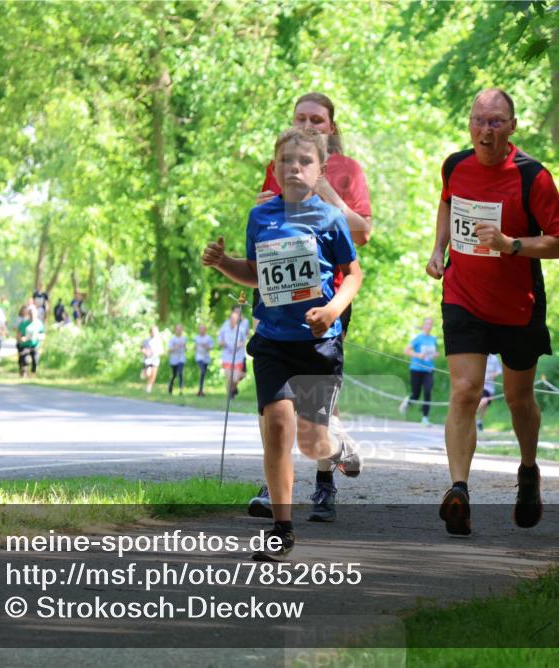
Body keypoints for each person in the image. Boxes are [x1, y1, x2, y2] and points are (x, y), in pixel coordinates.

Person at [203, 127, 362, 560]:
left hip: (317, 343)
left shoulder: (330, 219)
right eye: (286, 161)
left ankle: (337, 443)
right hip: (272, 341)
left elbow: (354, 274)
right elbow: (255, 274)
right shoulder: (261, 217)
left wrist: (332, 311)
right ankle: (281, 529)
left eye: (304, 162)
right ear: (274, 169)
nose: (294, 167)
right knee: (277, 428)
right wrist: (223, 264)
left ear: (320, 170)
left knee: (313, 444)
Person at [425, 88, 559, 534]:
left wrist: (512, 246)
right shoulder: (455, 165)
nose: (485, 130)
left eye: (495, 122)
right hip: (463, 295)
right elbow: (448, 201)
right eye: (478, 120)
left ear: (512, 127)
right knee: (465, 390)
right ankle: (459, 491)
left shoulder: (533, 177)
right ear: (469, 123)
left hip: (517, 305)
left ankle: (528, 471)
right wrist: (438, 249)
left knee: (517, 398)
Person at [250, 92, 373, 522]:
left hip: (328, 300)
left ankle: (325, 484)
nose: (309, 124)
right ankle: (275, 487)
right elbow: (268, 220)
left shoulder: (347, 170)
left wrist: (325, 192)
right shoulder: (283, 161)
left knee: (319, 407)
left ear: (331, 127)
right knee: (276, 404)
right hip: (277, 298)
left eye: (317, 119)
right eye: (301, 117)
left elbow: (363, 233)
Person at [399, 317, 439, 426]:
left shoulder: (433, 339)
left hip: (429, 369)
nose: (429, 326)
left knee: (427, 391)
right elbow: (406, 350)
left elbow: (435, 352)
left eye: (431, 324)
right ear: (423, 325)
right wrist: (418, 355)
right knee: (416, 394)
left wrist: (435, 355)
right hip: (416, 369)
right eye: (427, 324)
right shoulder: (417, 338)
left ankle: (425, 418)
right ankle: (407, 402)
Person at [218, 306, 248, 399]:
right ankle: (229, 395)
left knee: (235, 379)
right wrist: (224, 343)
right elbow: (220, 342)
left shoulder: (241, 329)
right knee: (230, 378)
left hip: (238, 357)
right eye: (231, 319)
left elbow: (245, 341)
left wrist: (240, 344)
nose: (233, 321)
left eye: (235, 319)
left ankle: (233, 389)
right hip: (227, 357)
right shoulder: (224, 328)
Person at [16, 304, 44, 379]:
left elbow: (42, 333)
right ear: (28, 314)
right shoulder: (24, 324)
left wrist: (39, 338)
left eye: (34, 314)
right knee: (25, 360)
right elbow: (19, 334)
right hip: (25, 345)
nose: (32, 315)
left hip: (35, 344)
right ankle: (23, 373)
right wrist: (21, 339)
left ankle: (33, 374)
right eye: (30, 314)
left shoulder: (39, 323)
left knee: (35, 360)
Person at [476, 353, 502, 432]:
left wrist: (490, 376)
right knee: (485, 400)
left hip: (490, 387)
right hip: (481, 385)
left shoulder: (494, 359)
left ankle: (479, 421)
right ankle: (471, 413)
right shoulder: (480, 356)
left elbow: (499, 371)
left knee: (485, 406)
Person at [140, 324, 162, 393]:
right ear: (150, 332)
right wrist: (146, 352)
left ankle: (149, 386)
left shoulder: (158, 341)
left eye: (155, 331)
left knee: (153, 374)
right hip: (148, 360)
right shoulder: (147, 340)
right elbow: (142, 348)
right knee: (148, 373)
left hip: (155, 359)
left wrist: (157, 353)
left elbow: (161, 350)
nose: (154, 333)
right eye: (153, 331)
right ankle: (144, 373)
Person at [194, 323, 214, 396]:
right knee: (202, 371)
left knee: (203, 374)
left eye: (203, 328)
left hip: (206, 358)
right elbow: (195, 346)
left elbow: (211, 348)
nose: (201, 330)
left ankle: (201, 390)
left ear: (205, 330)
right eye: (200, 329)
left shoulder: (208, 338)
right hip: (199, 357)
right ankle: (200, 390)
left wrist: (205, 346)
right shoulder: (196, 338)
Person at [167, 323, 187, 395]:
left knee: (181, 373)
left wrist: (184, 347)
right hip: (174, 359)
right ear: (175, 330)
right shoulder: (172, 339)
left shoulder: (184, 338)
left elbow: (185, 349)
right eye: (177, 329)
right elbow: (169, 350)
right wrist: (176, 346)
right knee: (174, 374)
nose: (179, 331)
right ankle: (170, 387)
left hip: (181, 358)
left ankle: (181, 389)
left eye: (180, 329)